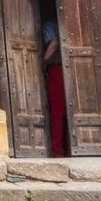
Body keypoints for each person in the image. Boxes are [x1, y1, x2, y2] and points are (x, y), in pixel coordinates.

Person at [42, 18, 68, 158]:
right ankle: (68, 149)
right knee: (67, 111)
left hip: (56, 70)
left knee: (57, 113)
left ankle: (57, 151)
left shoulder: (48, 24)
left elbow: (54, 42)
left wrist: (44, 60)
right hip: (68, 69)